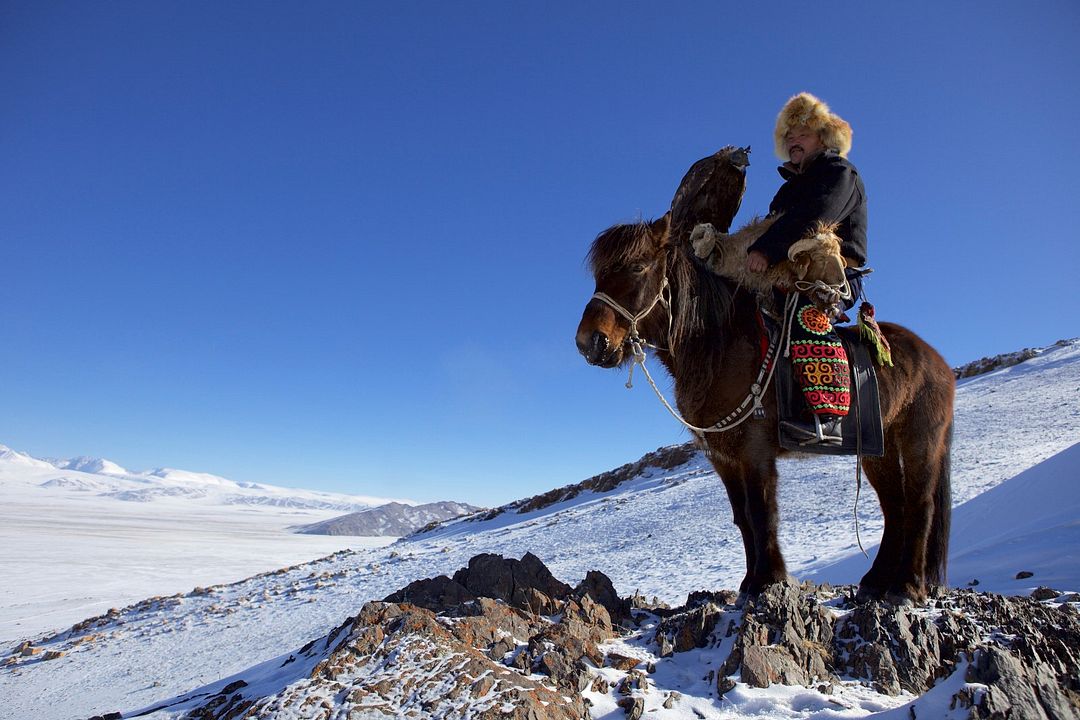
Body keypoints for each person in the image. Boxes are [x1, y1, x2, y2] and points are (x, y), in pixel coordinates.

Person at [747, 92, 868, 446]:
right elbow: (768, 225)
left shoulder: (840, 173)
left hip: (833, 274)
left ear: (822, 136)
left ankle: (827, 418)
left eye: (800, 132)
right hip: (786, 271)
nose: (791, 140)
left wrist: (766, 250)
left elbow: (818, 216)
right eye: (787, 135)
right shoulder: (787, 191)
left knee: (805, 315)